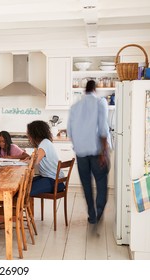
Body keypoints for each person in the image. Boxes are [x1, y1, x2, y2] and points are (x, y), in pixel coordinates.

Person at [67, 79, 110, 224]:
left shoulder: (74, 107)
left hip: (81, 154)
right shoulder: (100, 103)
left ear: (84, 90)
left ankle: (92, 215)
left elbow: (70, 133)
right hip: (97, 152)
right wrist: (104, 152)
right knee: (101, 182)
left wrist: (79, 145)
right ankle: (98, 211)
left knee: (86, 184)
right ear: (95, 89)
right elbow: (103, 129)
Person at [26, 120, 65, 196]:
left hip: (55, 182)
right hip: (49, 178)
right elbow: (36, 158)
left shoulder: (44, 143)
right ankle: (26, 208)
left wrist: (21, 162)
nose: (27, 135)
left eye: (28, 133)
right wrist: (29, 158)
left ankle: (20, 207)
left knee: (25, 191)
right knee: (23, 185)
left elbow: (35, 162)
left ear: (34, 133)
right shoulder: (44, 143)